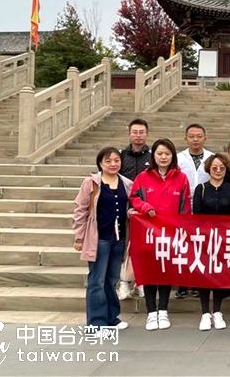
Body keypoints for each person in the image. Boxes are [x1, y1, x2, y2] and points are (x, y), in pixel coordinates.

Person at [129, 138, 192, 331]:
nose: (163, 157)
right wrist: (144, 206)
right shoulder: (143, 177)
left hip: (170, 234)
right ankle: (151, 312)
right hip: (147, 233)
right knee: (149, 272)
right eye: (159, 154)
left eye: (167, 153)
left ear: (172, 156)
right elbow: (134, 198)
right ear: (153, 156)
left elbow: (185, 207)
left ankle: (163, 310)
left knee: (165, 271)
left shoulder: (181, 178)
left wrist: (182, 230)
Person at [73, 147, 133, 331]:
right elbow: (80, 209)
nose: (113, 164)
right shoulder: (91, 183)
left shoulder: (127, 183)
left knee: (111, 279)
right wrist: (79, 237)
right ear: (100, 163)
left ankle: (111, 317)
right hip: (99, 238)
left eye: (116, 160)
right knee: (97, 281)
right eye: (108, 161)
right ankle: (96, 322)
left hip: (119, 239)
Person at [192, 153, 230, 331]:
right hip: (205, 239)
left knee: (219, 274)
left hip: (224, 239)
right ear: (208, 169)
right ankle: (205, 313)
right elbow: (196, 214)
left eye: (222, 168)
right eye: (214, 168)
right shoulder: (201, 188)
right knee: (204, 275)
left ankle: (217, 311)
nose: (218, 171)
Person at [176, 124, 214, 300]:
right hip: (183, 207)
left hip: (205, 208)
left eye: (199, 136)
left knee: (201, 246)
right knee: (184, 246)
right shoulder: (178, 159)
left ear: (205, 138)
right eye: (192, 136)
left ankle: (199, 283)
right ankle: (183, 284)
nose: (195, 139)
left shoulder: (211, 158)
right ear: (186, 138)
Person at [117, 119, 151, 301]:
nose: (138, 136)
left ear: (147, 134)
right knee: (126, 246)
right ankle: (124, 282)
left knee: (144, 246)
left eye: (141, 132)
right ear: (129, 134)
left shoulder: (153, 156)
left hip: (147, 210)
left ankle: (141, 281)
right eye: (135, 132)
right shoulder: (121, 156)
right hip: (124, 208)